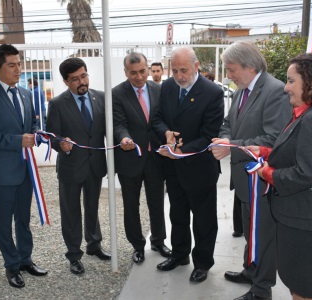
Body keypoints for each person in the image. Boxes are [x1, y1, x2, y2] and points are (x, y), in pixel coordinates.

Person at [246, 53, 312, 300]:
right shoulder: (310, 114)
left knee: (308, 292)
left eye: (291, 81)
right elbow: (300, 153)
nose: (285, 88)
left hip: (307, 223)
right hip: (299, 220)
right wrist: (267, 151)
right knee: (298, 287)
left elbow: (306, 174)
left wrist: (267, 172)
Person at [210, 41, 291, 300]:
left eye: (232, 69)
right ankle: (251, 270)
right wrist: (224, 139)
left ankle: (261, 289)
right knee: (250, 229)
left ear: (250, 66)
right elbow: (228, 123)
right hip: (245, 178)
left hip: (262, 180)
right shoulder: (240, 91)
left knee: (264, 235)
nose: (229, 75)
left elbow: (272, 139)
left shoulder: (275, 91)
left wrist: (230, 147)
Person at [0, 44, 47, 288]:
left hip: (26, 170)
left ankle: (25, 259)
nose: (18, 70)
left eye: (19, 64)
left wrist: (37, 134)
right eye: (12, 65)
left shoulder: (25, 94)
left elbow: (31, 124)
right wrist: (18, 141)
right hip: (2, 173)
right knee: (4, 222)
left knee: (23, 219)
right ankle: (11, 265)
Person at [153, 46, 224, 283]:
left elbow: (209, 135)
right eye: (175, 70)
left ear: (196, 66)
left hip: (199, 167)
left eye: (184, 70)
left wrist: (181, 151)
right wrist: (167, 134)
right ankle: (180, 254)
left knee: (203, 219)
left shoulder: (212, 92)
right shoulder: (169, 86)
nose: (180, 75)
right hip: (173, 168)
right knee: (178, 213)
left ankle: (202, 263)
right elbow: (158, 118)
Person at [46, 57, 110, 275]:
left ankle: (94, 245)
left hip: (95, 166)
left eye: (84, 75)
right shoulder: (56, 104)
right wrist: (60, 144)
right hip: (71, 168)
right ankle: (74, 255)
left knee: (92, 207)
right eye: (75, 79)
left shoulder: (101, 98)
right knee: (71, 212)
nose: (81, 82)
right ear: (66, 82)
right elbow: (51, 136)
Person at [113, 52, 171, 264]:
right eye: (133, 73)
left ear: (148, 69)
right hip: (130, 159)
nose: (139, 77)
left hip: (156, 157)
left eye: (142, 71)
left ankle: (158, 240)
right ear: (126, 72)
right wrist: (124, 138)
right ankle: (137, 245)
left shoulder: (160, 90)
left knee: (156, 201)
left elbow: (164, 119)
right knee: (131, 204)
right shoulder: (117, 94)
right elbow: (118, 124)